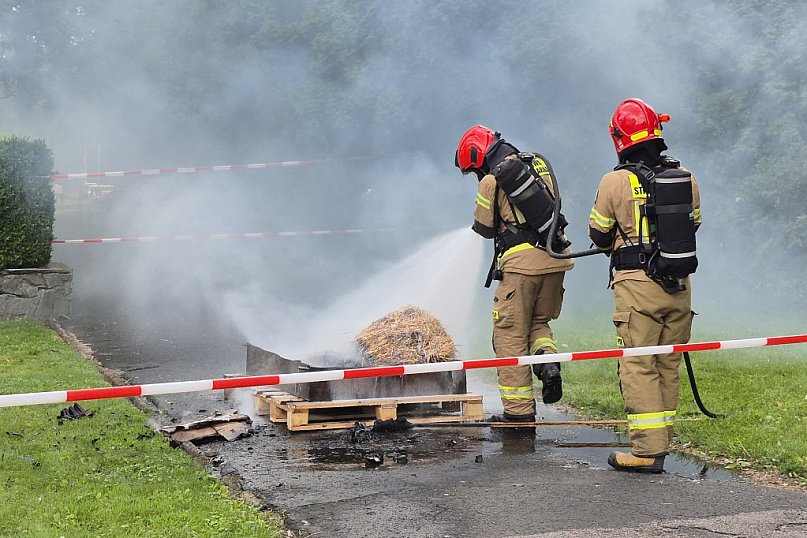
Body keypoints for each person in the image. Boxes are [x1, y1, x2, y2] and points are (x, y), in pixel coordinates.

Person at [588, 98, 701, 473]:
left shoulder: (614, 181)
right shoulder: (685, 176)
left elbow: (600, 233)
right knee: (668, 363)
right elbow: (694, 223)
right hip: (679, 285)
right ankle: (661, 441)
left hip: (637, 287)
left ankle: (647, 452)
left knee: (638, 365)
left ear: (620, 138)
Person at [455, 125, 574, 423]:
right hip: (555, 257)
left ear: (477, 157)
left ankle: (518, 414)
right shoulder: (538, 163)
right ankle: (548, 364)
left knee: (509, 336)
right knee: (538, 322)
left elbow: (483, 227)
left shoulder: (492, 181)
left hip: (521, 267)